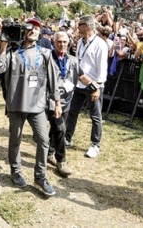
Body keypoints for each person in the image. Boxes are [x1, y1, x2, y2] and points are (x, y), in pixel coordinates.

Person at [0, 18, 61, 197]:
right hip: (16, 105)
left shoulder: (45, 53)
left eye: (37, 29)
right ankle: (15, 171)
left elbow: (54, 79)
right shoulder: (12, 52)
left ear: (40, 34)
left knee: (43, 139)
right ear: (24, 32)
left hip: (37, 106)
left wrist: (57, 101)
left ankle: (40, 176)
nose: (33, 31)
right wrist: (3, 44)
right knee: (15, 139)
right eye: (30, 28)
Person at [47, 31, 93, 177]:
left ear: (69, 43)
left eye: (65, 42)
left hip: (67, 100)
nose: (62, 44)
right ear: (54, 43)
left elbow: (82, 76)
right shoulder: (47, 59)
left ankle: (49, 152)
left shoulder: (73, 60)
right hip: (52, 100)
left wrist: (95, 88)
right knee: (60, 128)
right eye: (59, 42)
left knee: (57, 128)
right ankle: (61, 160)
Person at [65, 15, 108, 158]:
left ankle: (95, 145)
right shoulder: (82, 42)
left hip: (93, 85)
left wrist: (98, 87)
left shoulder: (100, 44)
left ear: (87, 26)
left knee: (95, 116)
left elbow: (102, 68)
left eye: (80, 25)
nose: (77, 27)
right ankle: (67, 137)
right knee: (72, 112)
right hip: (79, 83)